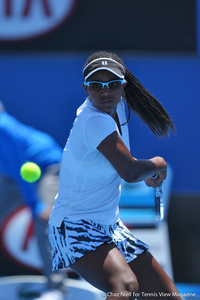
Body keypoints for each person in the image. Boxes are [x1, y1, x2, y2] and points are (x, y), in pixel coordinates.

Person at [48, 51, 181, 300]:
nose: (105, 91)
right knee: (124, 285)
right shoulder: (93, 120)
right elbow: (130, 172)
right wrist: (158, 164)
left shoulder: (117, 109)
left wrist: (146, 168)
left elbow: (119, 162)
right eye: (96, 85)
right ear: (85, 89)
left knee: (167, 297)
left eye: (113, 84)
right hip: (73, 227)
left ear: (123, 86)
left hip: (110, 227)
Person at [0, 101, 67, 300]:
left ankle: (57, 287)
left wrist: (36, 204)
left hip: (49, 168)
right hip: (14, 174)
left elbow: (23, 169)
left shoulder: (2, 127)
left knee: (44, 219)